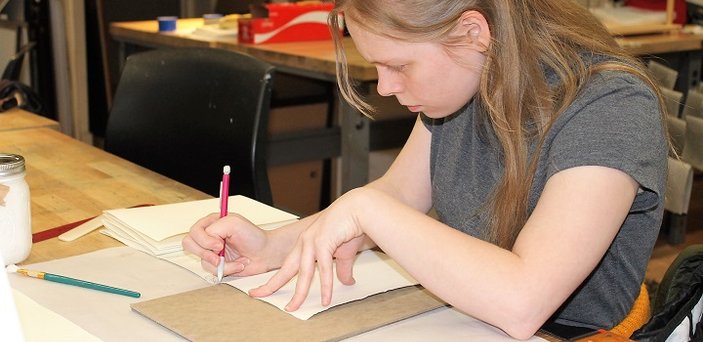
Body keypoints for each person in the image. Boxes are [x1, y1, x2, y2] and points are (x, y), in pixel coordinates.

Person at [183, 0, 669, 339]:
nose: (386, 87)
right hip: (467, 320)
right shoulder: (467, 82)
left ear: (473, 33)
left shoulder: (610, 107)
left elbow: (524, 301)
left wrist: (367, 209)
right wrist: (274, 245)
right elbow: (397, 195)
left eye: (398, 65)